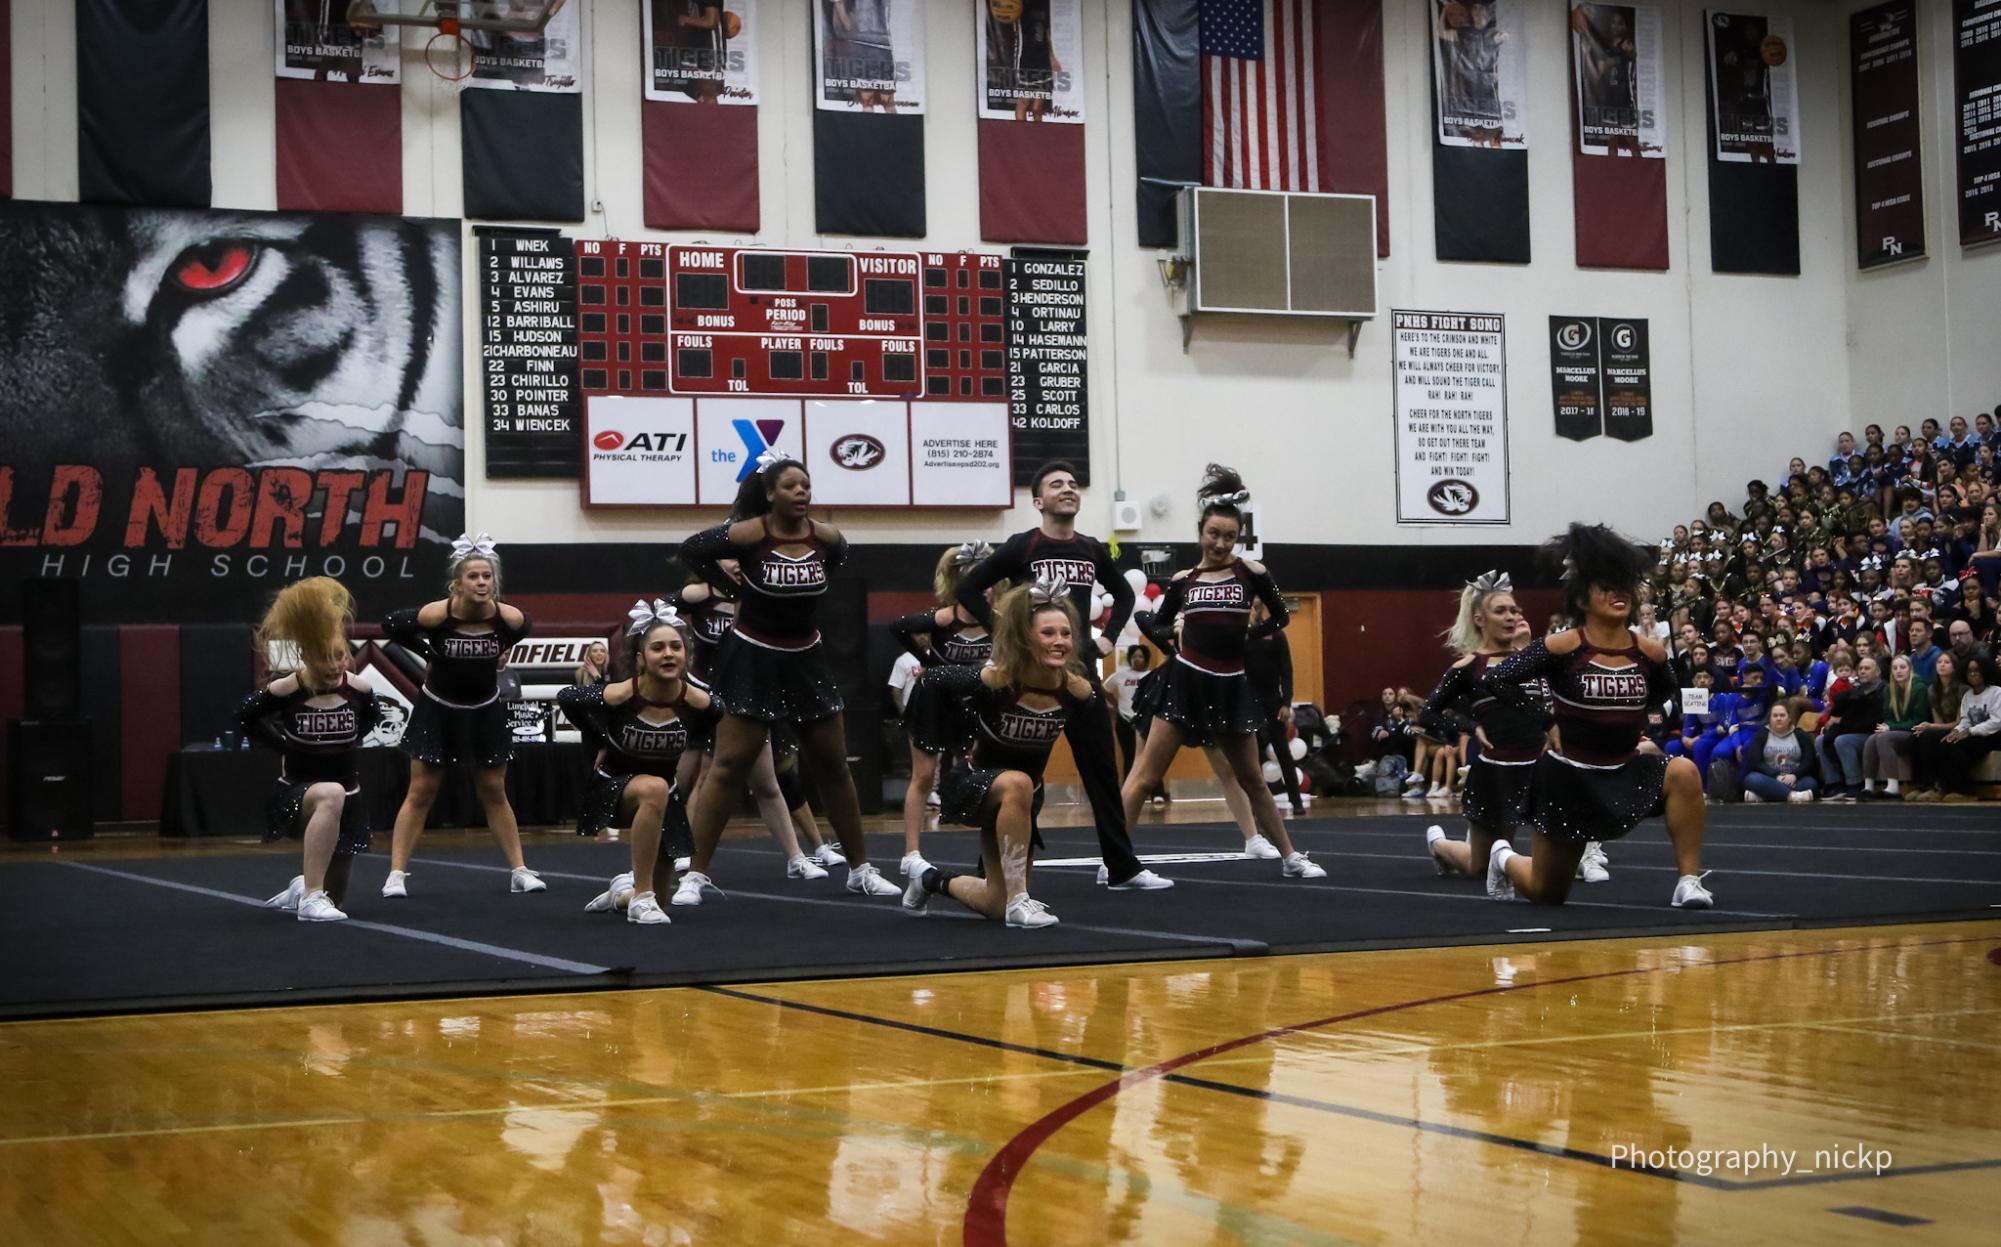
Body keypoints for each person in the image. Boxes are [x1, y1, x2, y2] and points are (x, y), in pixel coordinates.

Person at [674, 453, 902, 904]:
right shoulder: (750, 533)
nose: (801, 492)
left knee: (833, 764)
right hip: (752, 655)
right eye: (791, 486)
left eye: (806, 484)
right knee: (728, 766)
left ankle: (860, 867)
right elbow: (693, 549)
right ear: (771, 493)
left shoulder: (826, 536)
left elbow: (840, 557)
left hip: (805, 657)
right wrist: (737, 589)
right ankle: (695, 875)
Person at [956, 461, 1171, 890]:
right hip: (1028, 681)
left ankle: (1121, 866)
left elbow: (1125, 594)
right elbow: (967, 588)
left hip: (1078, 677)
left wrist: (1108, 638)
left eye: (1073, 484)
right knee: (1020, 776)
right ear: (1038, 501)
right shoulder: (1023, 545)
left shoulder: (1091, 548)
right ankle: (992, 871)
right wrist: (1007, 631)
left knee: (1102, 771)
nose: (1068, 489)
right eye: (1057, 485)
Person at [1480, 524, 1714, 909]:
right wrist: (1545, 722)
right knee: (1547, 893)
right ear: (1582, 598)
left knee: (1684, 771)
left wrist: (1634, 727)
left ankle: (1689, 882)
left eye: (1622, 585)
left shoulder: (1650, 652)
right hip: (1569, 778)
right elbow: (1498, 679)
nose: (1617, 593)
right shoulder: (1562, 646)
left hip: (1623, 767)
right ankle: (1504, 857)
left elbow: (1664, 690)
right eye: (1604, 586)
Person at [1117, 467, 1325, 876]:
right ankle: (1116, 860)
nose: (1220, 543)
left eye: (1229, 536)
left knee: (1252, 778)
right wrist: (1172, 639)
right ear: (1200, 531)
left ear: (1238, 537)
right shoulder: (1184, 579)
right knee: (1145, 777)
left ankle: (1290, 856)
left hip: (1230, 686)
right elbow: (1154, 623)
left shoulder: (1253, 574)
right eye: (1213, 534)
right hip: (1185, 681)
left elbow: (1280, 616)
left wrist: (1251, 633)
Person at [900, 584, 1099, 927]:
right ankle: (1020, 900)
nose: (1059, 641)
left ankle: (930, 880)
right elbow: (932, 681)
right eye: (1048, 632)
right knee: (1018, 783)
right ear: (1025, 637)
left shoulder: (1077, 691)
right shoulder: (997, 681)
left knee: (995, 903)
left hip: (1022, 802)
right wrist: (932, 747)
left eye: (1066, 633)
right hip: (976, 783)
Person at [380, 533, 543, 899]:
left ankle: (519, 869)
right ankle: (396, 873)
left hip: (484, 709)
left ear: (495, 581)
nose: (481, 582)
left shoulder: (509, 618)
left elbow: (524, 628)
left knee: (493, 790)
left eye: (487, 576)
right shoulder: (439, 614)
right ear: (458, 582)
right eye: (473, 576)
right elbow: (391, 624)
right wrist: (428, 650)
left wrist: (499, 649)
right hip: (439, 708)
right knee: (421, 790)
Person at [559, 601, 719, 925]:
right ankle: (640, 897)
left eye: (676, 647)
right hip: (613, 788)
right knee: (653, 787)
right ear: (640, 658)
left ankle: (624, 894)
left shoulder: (699, 703)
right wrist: (600, 739)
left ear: (686, 655)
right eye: (657, 648)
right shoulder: (621, 695)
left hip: (663, 798)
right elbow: (567, 698)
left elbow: (712, 716)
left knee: (664, 901)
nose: (668, 654)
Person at [677, 565, 837, 877]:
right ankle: (682, 851)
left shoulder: (755, 597)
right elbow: (659, 617)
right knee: (691, 777)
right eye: (728, 558)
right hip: (702, 692)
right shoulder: (699, 595)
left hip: (743, 693)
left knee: (768, 779)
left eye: (741, 558)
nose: (737, 564)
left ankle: (798, 856)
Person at [242, 578, 382, 922]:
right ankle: (310, 896)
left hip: (349, 795)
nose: (335, 665)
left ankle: (303, 887)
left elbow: (370, 721)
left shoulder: (359, 690)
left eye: (339, 656)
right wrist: (283, 745)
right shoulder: (289, 688)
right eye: (324, 658)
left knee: (338, 898)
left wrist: (346, 741)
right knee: (329, 793)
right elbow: (245, 717)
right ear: (305, 656)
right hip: (297, 793)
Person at [1419, 570, 1565, 894]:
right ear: (1479, 619)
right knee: (1478, 866)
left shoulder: (1534, 659)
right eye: (1501, 611)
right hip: (1496, 772)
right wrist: (1470, 726)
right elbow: (1428, 713)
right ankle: (1440, 845)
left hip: (1538, 767)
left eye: (1515, 610)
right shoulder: (1468, 667)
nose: (1511, 617)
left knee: (1541, 863)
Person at [888, 542, 995, 879]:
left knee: (990, 776)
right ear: (960, 587)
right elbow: (898, 627)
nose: (985, 592)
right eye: (976, 584)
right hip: (934, 700)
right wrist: (929, 663)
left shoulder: (1002, 624)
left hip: (977, 701)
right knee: (923, 775)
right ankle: (911, 852)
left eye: (989, 584)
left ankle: (990, 854)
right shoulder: (943, 620)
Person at [1909, 653, 2001, 802]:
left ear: (1985, 671)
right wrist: (1956, 731)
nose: (1973, 674)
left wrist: (1968, 732)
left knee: (1955, 747)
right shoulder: (1968, 695)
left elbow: (1997, 722)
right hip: (1975, 734)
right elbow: (1965, 720)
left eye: (1977, 670)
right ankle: (1939, 787)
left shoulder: (1997, 692)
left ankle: (1965, 790)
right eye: (1969, 671)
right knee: (1948, 741)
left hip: (1994, 735)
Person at [1245, 599, 1305, 816]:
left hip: (1272, 698)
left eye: (1258, 605)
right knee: (1251, 753)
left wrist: (1286, 702)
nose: (1255, 608)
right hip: (1248, 699)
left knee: (1282, 750)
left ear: (1263, 607)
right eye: (1251, 605)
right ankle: (1255, 803)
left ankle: (1295, 800)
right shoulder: (1240, 634)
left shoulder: (1276, 633)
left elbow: (1286, 670)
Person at [1861, 653, 1930, 799]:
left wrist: (1890, 728)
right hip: (1898, 731)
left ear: (1910, 669)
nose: (1898, 671)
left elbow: (1918, 720)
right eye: (1895, 668)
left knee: (1883, 739)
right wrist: (1888, 726)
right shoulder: (1889, 689)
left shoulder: (1919, 688)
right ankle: (1868, 787)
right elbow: (1888, 718)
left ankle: (1893, 787)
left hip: (1915, 731)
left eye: (1902, 667)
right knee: (1872, 739)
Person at [1819, 655, 1885, 802]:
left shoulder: (1882, 690)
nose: (1862, 671)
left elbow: (1871, 721)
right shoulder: (1856, 690)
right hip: (1854, 730)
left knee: (1843, 741)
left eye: (1867, 668)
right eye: (1860, 668)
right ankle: (1834, 783)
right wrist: (1835, 720)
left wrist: (1841, 722)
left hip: (1872, 733)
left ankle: (1854, 784)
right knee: (1820, 740)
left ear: (1878, 671)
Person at [1739, 701, 1819, 803]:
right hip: (1769, 779)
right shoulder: (1761, 735)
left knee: (1810, 783)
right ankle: (1792, 796)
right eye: (1775, 716)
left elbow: (1808, 761)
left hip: (1794, 779)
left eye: (1782, 715)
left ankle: (1765, 796)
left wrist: (1794, 775)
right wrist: (1776, 776)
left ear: (1789, 718)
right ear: (1770, 719)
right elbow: (1756, 762)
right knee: (1752, 779)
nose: (1779, 718)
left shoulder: (1801, 736)